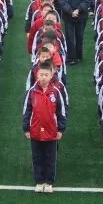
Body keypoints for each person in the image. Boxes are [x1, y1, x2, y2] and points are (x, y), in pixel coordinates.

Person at [23, 61, 66, 193]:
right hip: (35, 131)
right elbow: (27, 111)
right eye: (41, 74)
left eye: (46, 75)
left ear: (51, 75)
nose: (43, 77)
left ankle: (49, 182)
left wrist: (60, 128)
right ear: (37, 75)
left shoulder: (56, 92)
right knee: (37, 158)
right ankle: (39, 181)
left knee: (50, 158)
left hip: (51, 131)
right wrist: (26, 128)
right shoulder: (32, 92)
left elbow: (61, 112)